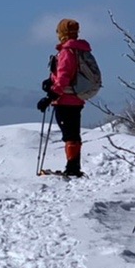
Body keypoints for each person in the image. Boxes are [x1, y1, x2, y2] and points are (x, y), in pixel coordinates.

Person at [36, 17, 90, 177]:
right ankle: (73, 167)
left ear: (62, 33)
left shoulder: (67, 52)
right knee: (73, 133)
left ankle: (72, 168)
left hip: (65, 100)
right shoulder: (80, 50)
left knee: (70, 135)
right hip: (76, 98)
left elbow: (64, 76)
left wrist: (50, 95)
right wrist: (51, 82)